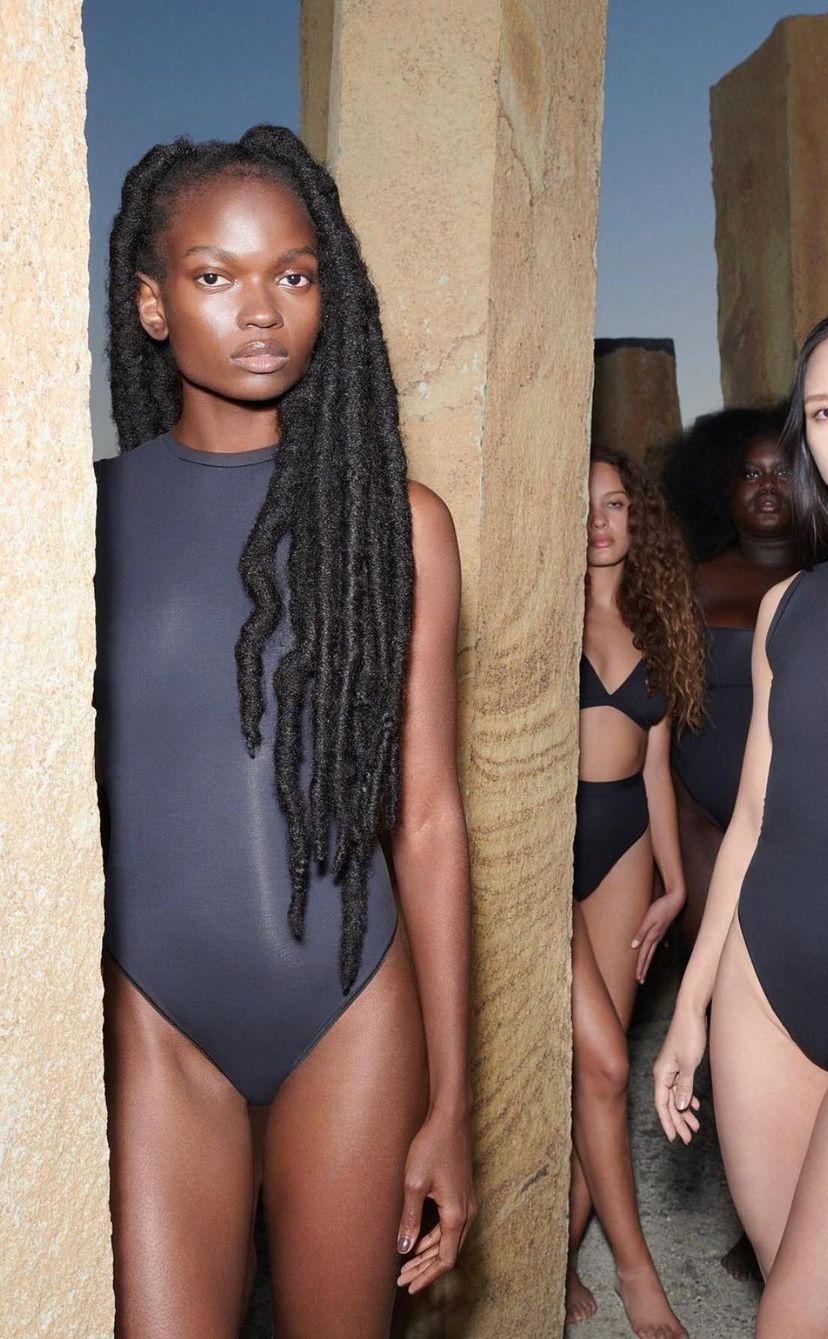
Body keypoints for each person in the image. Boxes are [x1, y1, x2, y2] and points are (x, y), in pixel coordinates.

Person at [95, 126, 475, 1337]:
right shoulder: (82, 520)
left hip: (348, 1015)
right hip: (158, 1017)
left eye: (294, 274)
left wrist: (453, 1103)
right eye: (215, 275)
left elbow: (428, 818)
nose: (262, 310)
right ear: (153, 303)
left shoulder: (397, 525)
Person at [653, 296, 828, 1338]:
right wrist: (692, 1006)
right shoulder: (788, 607)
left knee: (798, 1320)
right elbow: (755, 817)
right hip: (764, 992)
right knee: (804, 1303)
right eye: (822, 413)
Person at [567, 451, 705, 1338]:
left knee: (599, 1065)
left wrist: (675, 879)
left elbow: (655, 767)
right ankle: (634, 1268)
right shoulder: (550, 606)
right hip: (550, 844)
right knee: (608, 1063)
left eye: (615, 503)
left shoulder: (656, 619)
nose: (600, 521)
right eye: (585, 505)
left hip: (623, 846)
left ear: (636, 517)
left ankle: (557, 1244)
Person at [661, 408, 800, 951]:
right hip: (698, 816)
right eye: (750, 473)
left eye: (783, 471)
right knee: (708, 967)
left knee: (783, 966)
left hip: (799, 814)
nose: (767, 486)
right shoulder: (688, 581)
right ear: (724, 487)